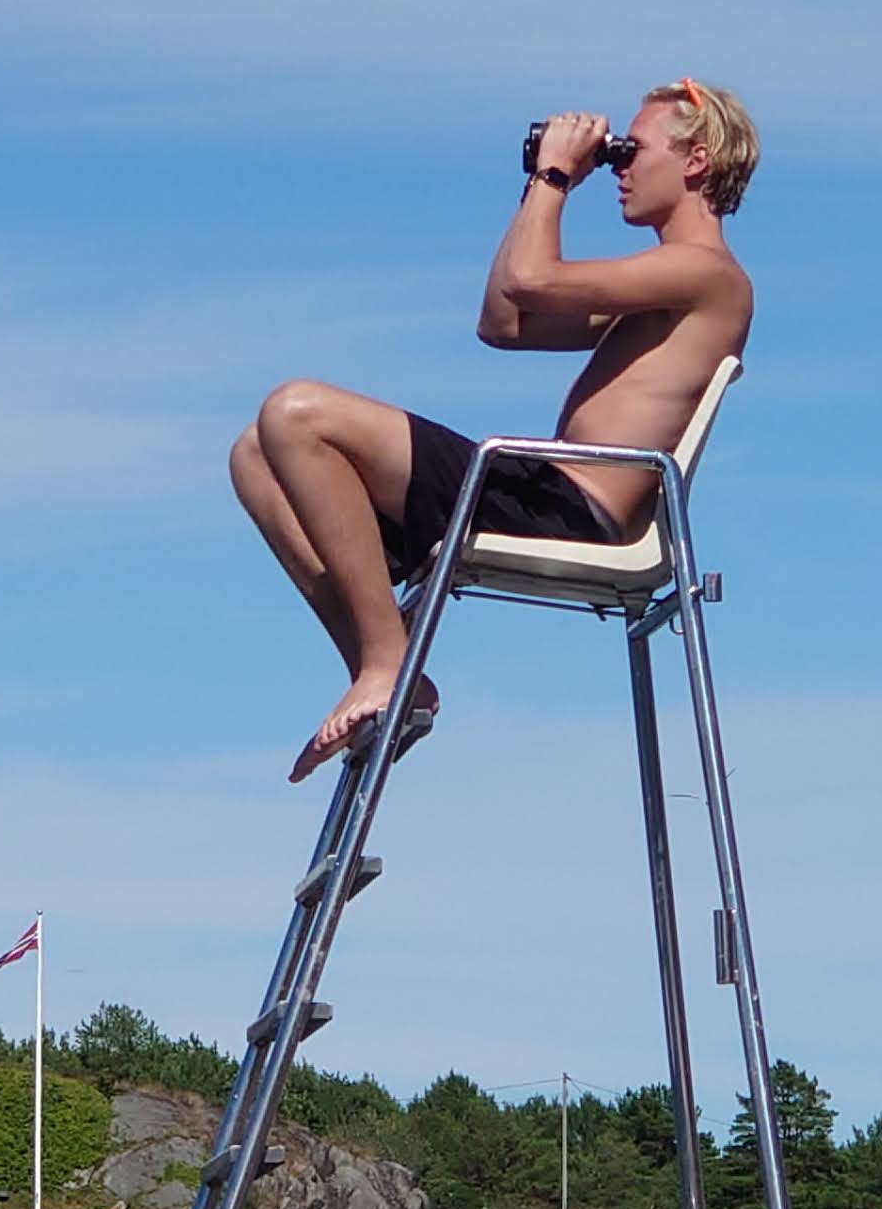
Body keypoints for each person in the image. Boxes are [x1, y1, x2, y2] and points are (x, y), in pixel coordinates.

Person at [232, 81, 759, 783]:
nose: (621, 169)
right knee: (255, 456)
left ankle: (390, 664)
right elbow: (503, 321)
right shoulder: (662, 284)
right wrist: (541, 190)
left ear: (695, 161)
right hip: (539, 493)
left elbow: (532, 279)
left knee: (296, 411)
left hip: (574, 512)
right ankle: (381, 663)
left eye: (633, 152)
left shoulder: (705, 273)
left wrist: (555, 176)